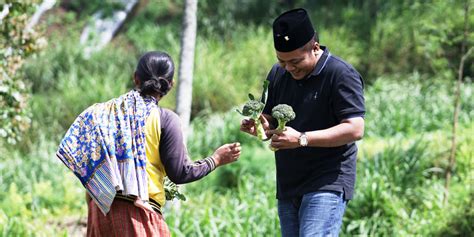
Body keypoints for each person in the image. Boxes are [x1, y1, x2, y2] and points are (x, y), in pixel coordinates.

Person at [57, 51, 241, 236]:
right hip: (138, 215)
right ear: (171, 84)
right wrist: (216, 159)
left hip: (100, 213)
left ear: (136, 78)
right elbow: (180, 173)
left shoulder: (102, 113)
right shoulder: (165, 120)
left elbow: (83, 162)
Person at [240, 8, 365, 237]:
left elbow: (355, 128)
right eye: (282, 61)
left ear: (315, 47)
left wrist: (301, 139)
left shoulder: (340, 74)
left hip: (327, 180)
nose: (288, 68)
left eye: (295, 61)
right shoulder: (279, 74)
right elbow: (272, 121)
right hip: (289, 184)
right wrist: (262, 126)